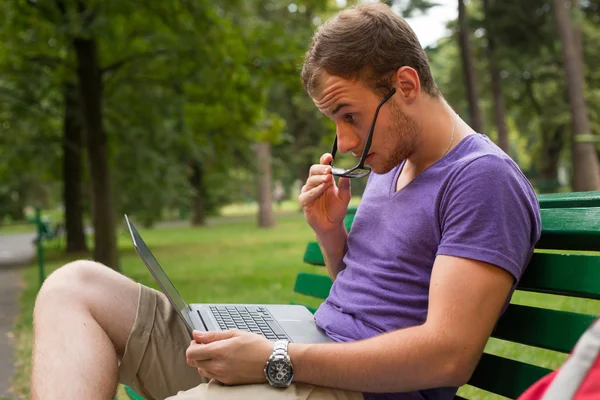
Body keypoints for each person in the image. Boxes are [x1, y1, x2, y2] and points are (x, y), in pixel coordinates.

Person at [30, 3, 541, 400]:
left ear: (405, 84)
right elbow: (376, 299)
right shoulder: (394, 162)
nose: (342, 142)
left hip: (356, 387)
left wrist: (276, 357)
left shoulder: (482, 180)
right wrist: (331, 234)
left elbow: (448, 356)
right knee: (73, 286)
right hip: (307, 357)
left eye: (349, 116)